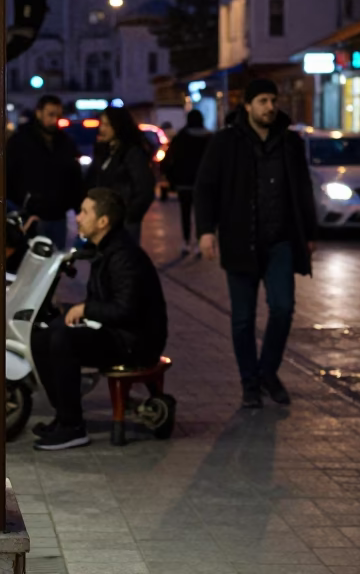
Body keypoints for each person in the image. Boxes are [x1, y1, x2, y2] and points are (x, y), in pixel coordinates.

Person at [194, 78, 316, 408]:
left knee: (283, 308)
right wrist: (206, 231)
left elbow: (302, 188)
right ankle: (250, 382)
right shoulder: (226, 142)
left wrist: (309, 234)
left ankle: (268, 371)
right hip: (240, 240)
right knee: (243, 318)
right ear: (246, 105)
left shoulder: (289, 142)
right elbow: (206, 187)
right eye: (262, 100)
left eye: (272, 100)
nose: (269, 107)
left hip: (281, 241)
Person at [31, 187, 168, 451]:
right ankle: (63, 417)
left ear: (103, 221)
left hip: (136, 342)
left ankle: (73, 427)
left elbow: (126, 310)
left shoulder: (124, 256)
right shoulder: (104, 249)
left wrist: (84, 310)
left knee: (63, 339)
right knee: (42, 334)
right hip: (118, 332)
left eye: (84, 212)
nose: (78, 217)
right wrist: (74, 310)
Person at [6, 94, 84, 250]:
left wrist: (77, 208)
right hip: (31, 215)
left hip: (58, 215)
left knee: (54, 266)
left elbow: (74, 178)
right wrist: (22, 202)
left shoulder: (65, 142)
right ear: (39, 113)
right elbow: (9, 175)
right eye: (51, 114)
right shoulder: (21, 141)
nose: (55, 120)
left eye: (58, 115)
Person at [87, 106, 156, 241]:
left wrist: (130, 215)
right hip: (102, 221)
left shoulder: (132, 153)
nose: (102, 129)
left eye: (107, 124)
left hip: (123, 224)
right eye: (101, 124)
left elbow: (145, 188)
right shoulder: (104, 152)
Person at [161, 109, 211, 256]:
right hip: (204, 184)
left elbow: (169, 159)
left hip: (184, 182)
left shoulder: (181, 137)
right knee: (200, 214)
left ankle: (186, 242)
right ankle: (198, 242)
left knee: (185, 213)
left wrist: (170, 178)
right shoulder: (209, 137)